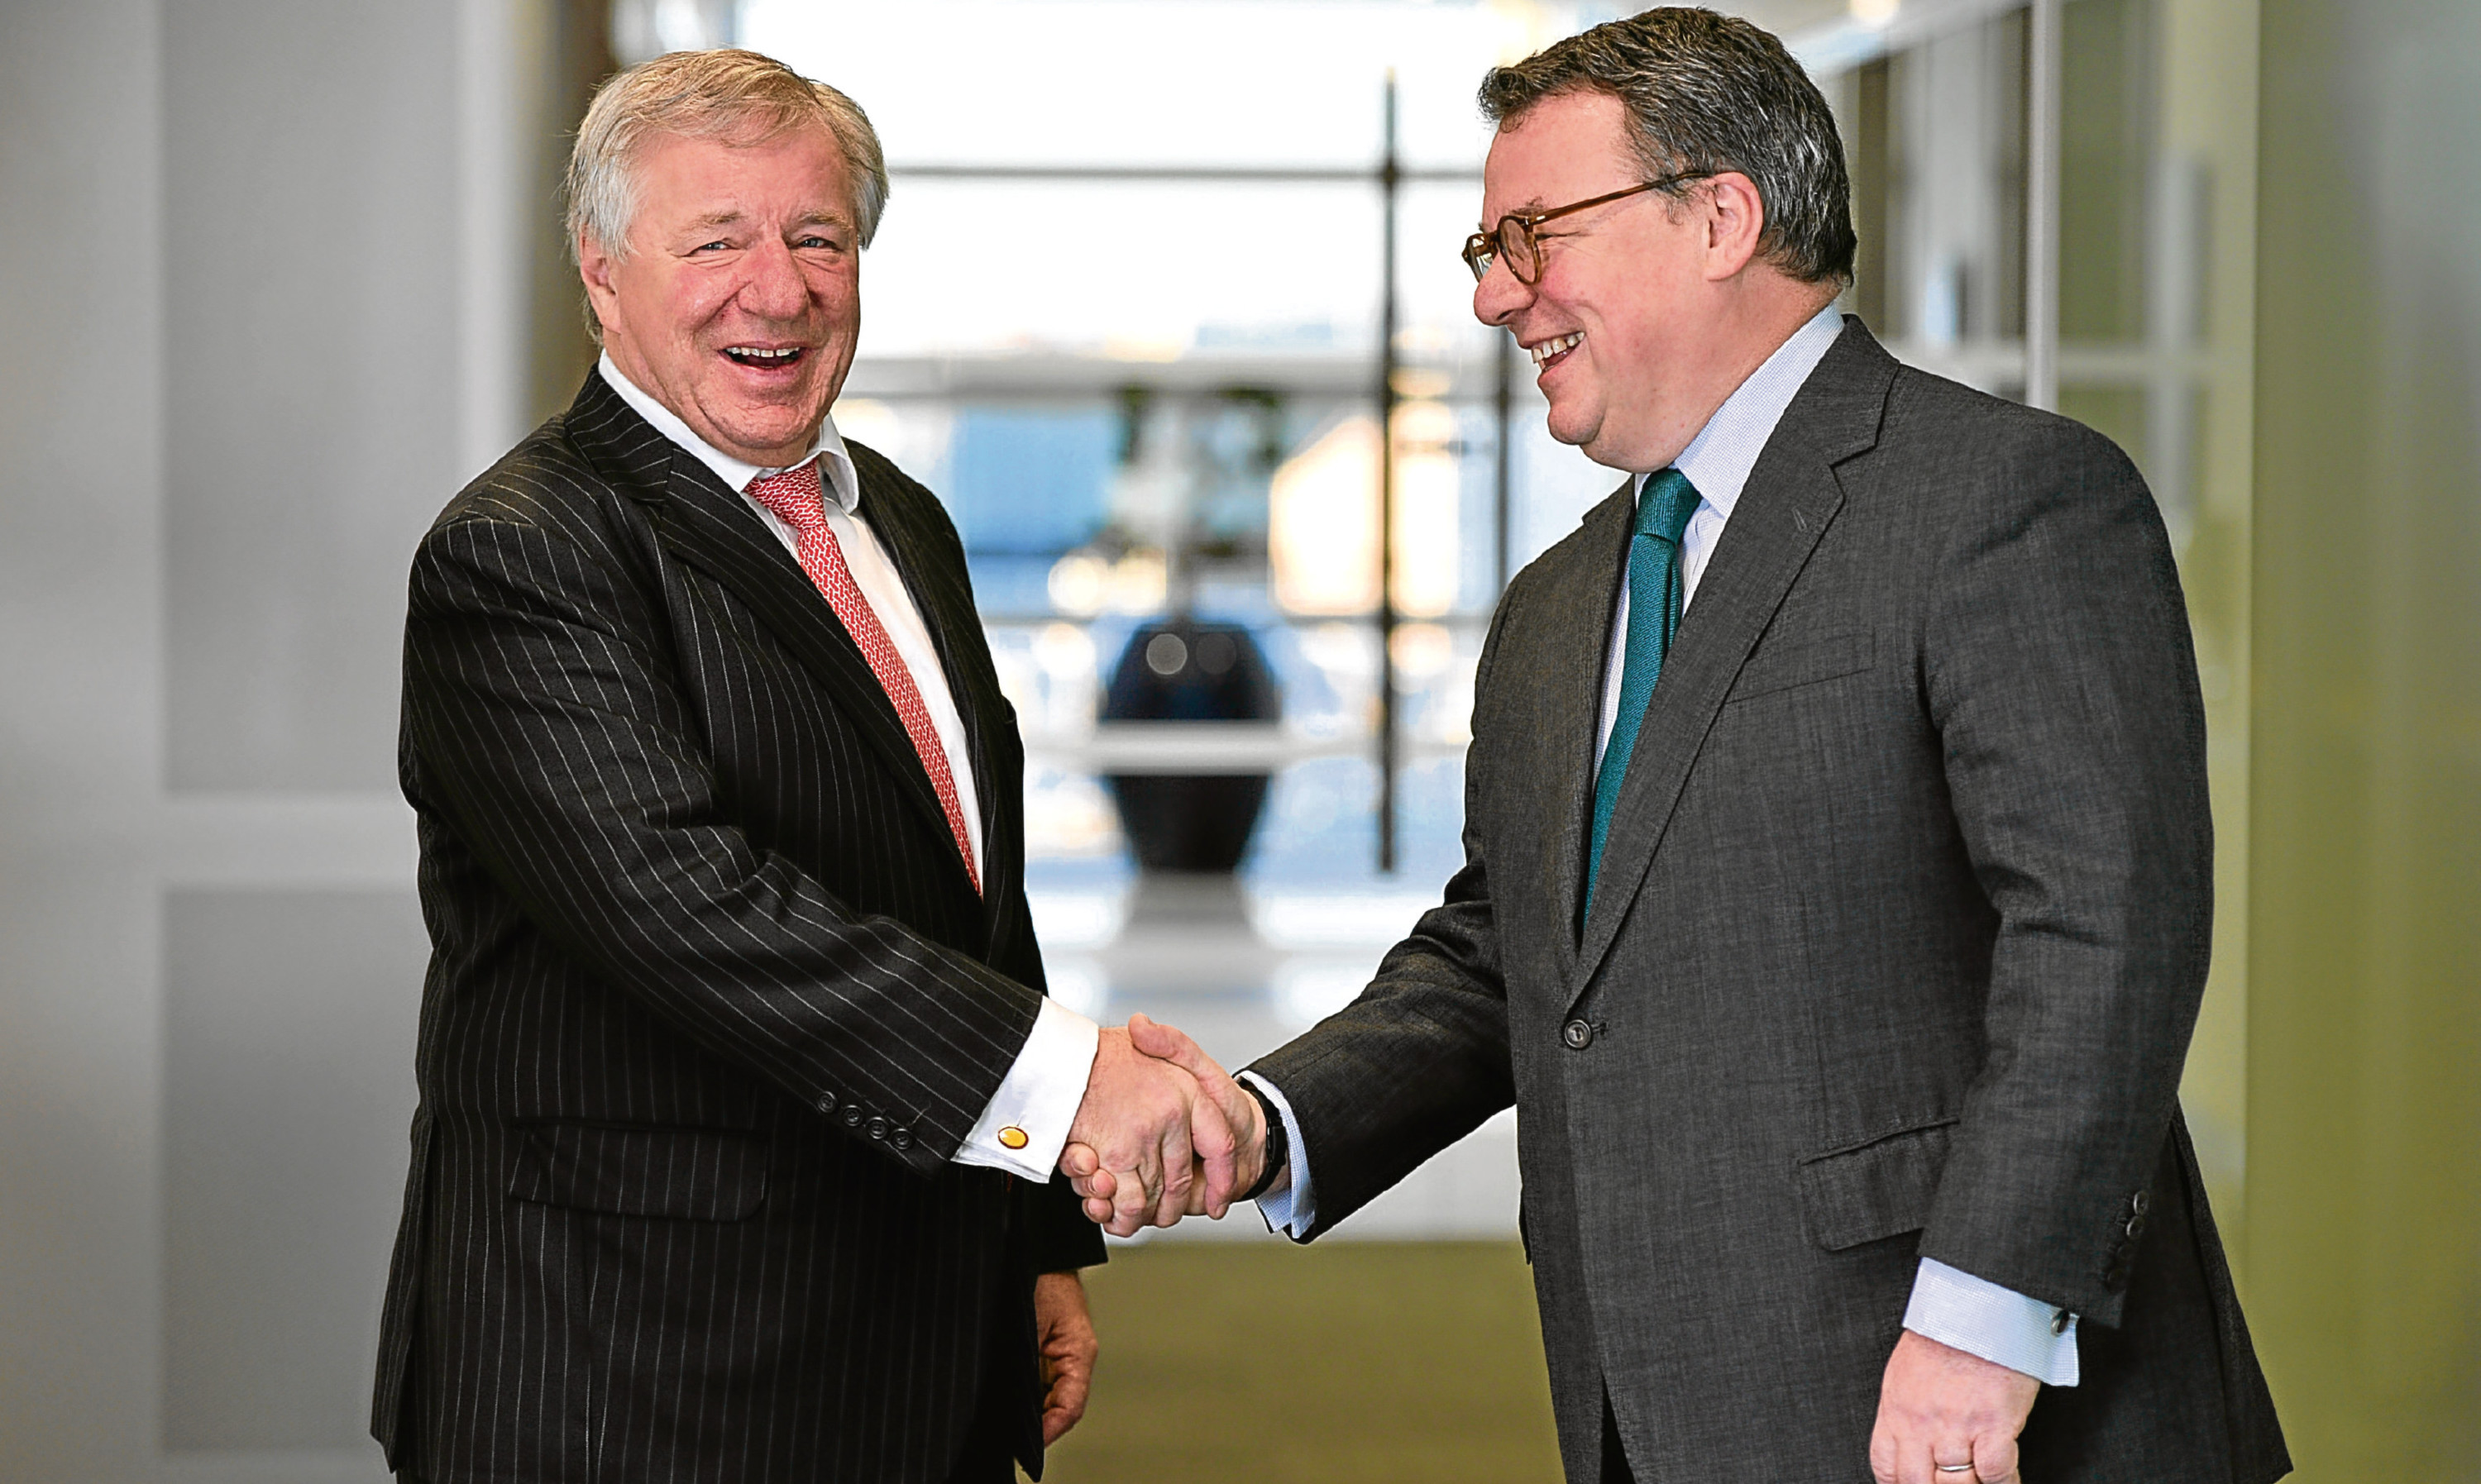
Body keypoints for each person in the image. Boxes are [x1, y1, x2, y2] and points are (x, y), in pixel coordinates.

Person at [1072, 10, 2287, 1482]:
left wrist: (1983, 1325)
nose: (1498, 298)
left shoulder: (2006, 502)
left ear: (1722, 215)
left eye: (1534, 233)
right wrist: (1267, 1124)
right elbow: (1508, 958)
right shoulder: (1561, 600)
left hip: (1969, 1408)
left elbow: (2106, 935)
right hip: (1651, 1399)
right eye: (1483, 251)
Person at [370, 49, 1243, 1484]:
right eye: (714, 241)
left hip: (918, 1343)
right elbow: (689, 908)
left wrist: (1026, 1232)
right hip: (633, 1373)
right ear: (601, 272)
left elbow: (968, 890)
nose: (776, 289)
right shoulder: (523, 552)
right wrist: (1071, 1087)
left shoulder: (895, 517)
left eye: (816, 237)